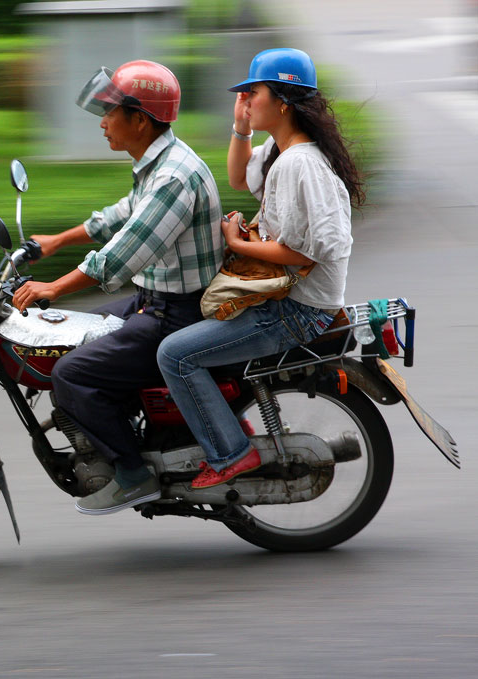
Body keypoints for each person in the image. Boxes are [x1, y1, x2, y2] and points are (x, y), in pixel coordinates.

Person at [11, 60, 224, 515]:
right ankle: (134, 429)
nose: (103, 124)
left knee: (69, 373)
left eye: (110, 114)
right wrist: (57, 241)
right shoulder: (161, 162)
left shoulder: (173, 177)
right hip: (157, 301)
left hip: (176, 314)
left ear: (140, 120)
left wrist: (52, 288)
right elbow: (121, 214)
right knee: (83, 331)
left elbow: (121, 257)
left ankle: (132, 474)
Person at [156, 48, 364, 488]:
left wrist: (234, 241)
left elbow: (303, 255)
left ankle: (230, 453)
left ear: (283, 99)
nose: (247, 98)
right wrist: (240, 126)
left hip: (296, 310)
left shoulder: (298, 163)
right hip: (290, 297)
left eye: (254, 91)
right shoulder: (282, 148)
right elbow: (237, 177)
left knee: (174, 355)